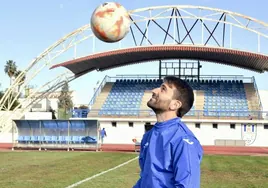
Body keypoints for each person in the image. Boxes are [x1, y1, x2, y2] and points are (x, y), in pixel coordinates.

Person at [133, 76, 203, 188]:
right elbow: (145, 179)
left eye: (163, 89)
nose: (154, 91)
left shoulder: (183, 140)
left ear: (174, 105)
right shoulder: (148, 136)